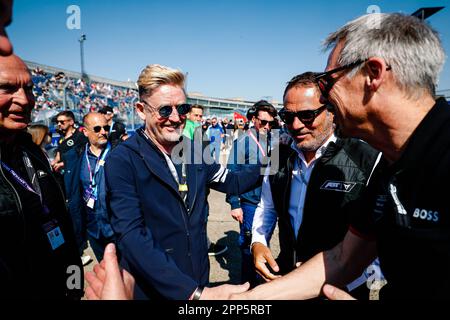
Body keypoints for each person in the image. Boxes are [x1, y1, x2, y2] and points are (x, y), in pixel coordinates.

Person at [232, 13, 449, 300]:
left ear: (373, 73)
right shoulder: (391, 163)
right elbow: (342, 259)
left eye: (327, 81)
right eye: (288, 116)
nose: (326, 95)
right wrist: (245, 301)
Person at [104, 64, 263, 300]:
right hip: (155, 288)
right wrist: (192, 293)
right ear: (141, 109)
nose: (176, 118)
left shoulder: (194, 151)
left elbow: (231, 182)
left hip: (198, 276)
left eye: (183, 108)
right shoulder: (122, 159)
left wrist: (268, 166)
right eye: (165, 110)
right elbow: (131, 235)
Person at [251, 72, 380, 299]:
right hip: (286, 279)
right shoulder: (277, 155)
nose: (296, 125)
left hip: (341, 287)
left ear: (331, 111)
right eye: (287, 116)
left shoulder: (366, 159)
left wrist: (355, 278)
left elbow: (381, 235)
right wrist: (258, 242)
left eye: (307, 115)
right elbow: (267, 207)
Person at [0, 54, 83, 299]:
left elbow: (61, 220)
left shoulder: (30, 149)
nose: (24, 100)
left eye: (29, 89)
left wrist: (74, 282)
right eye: (7, 88)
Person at [226, 99, 278, 287]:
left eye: (271, 123)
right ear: (254, 119)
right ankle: (248, 287)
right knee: (249, 246)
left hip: (270, 202)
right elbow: (231, 174)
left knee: (264, 242)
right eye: (263, 122)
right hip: (250, 203)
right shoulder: (242, 141)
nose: (267, 126)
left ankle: (262, 282)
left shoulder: (274, 139)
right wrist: (235, 204)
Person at [64, 112, 115, 262]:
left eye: (106, 128)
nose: (103, 132)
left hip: (118, 227)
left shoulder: (120, 153)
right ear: (85, 132)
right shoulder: (75, 157)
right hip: (93, 229)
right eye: (97, 129)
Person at [183, 104, 228, 256]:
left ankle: (203, 244)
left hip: (199, 178)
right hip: (196, 181)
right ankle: (202, 246)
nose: (199, 119)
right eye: (195, 115)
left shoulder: (196, 129)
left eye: (201, 116)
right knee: (199, 213)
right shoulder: (189, 129)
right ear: (188, 115)